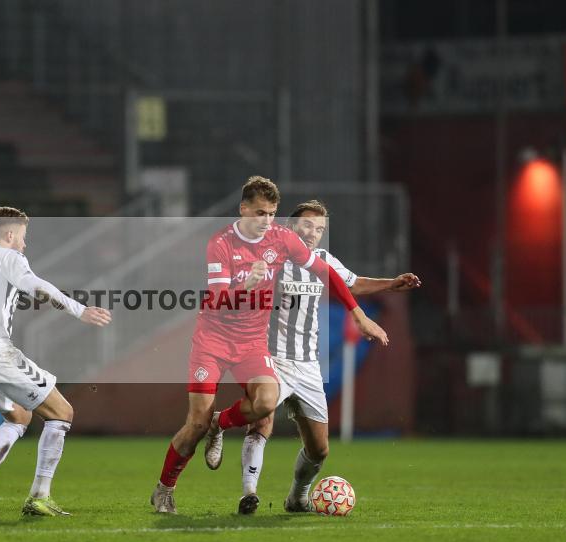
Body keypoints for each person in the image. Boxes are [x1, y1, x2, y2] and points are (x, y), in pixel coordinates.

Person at [150, 176, 388, 514]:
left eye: (272, 213)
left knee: (265, 402)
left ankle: (222, 424)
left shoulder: (281, 238)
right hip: (213, 341)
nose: (266, 221)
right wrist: (247, 284)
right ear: (243, 209)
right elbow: (217, 299)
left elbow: (327, 273)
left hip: (251, 343)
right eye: (260, 212)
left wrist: (359, 315)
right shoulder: (221, 243)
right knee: (196, 423)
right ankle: (164, 489)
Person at [229, 200, 421, 514]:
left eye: (320, 229)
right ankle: (249, 492)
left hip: (307, 367)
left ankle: (297, 497)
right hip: (270, 357)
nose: (313, 233)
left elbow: (353, 283)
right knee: (261, 422)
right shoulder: (270, 256)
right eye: (307, 225)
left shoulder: (321, 260)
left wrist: (391, 283)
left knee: (319, 449)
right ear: (291, 227)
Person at [0, 207, 111, 517]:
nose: (24, 245)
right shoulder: (7, 256)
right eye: (23, 238)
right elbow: (36, 286)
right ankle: (39, 496)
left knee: (19, 417)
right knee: (62, 412)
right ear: (9, 235)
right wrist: (79, 310)